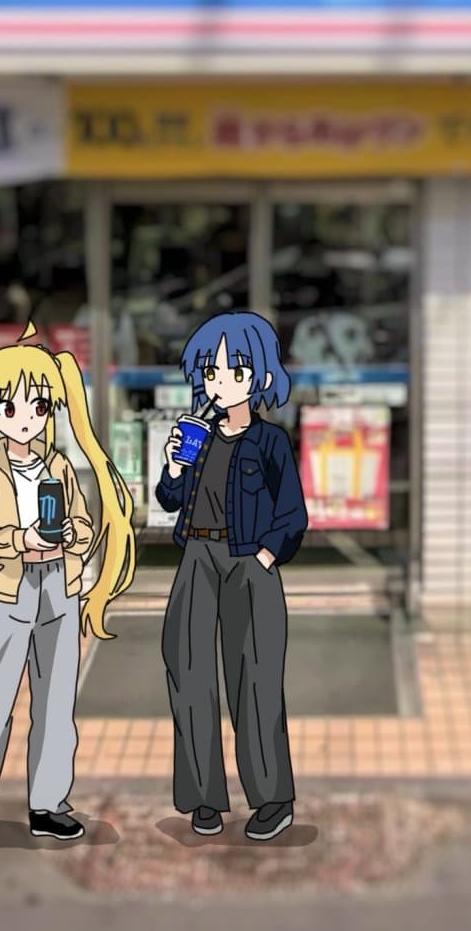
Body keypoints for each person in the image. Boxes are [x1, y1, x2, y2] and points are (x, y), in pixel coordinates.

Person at [0, 321, 136, 840]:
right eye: (9, 408)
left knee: (57, 702)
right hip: (8, 590)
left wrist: (71, 538)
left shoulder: (58, 464)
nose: (26, 419)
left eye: (38, 407)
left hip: (59, 586)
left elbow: (82, 523)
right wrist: (21, 538)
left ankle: (49, 804)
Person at [155, 311, 308, 842]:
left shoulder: (270, 441)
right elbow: (169, 499)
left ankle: (272, 799)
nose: (220, 383)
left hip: (248, 563)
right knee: (188, 669)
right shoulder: (198, 434)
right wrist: (174, 466)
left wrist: (266, 557)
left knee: (255, 680)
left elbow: (293, 513)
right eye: (212, 372)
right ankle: (203, 798)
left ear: (259, 376)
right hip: (197, 557)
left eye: (234, 371)